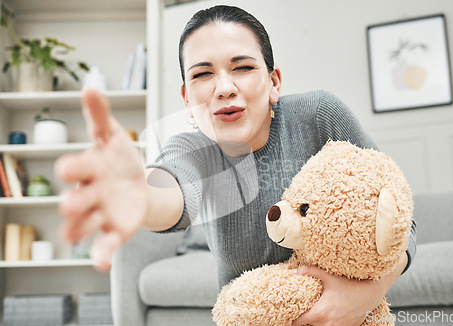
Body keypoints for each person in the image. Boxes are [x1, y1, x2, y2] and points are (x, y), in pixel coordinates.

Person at [56, 5, 416, 326]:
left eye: (242, 67)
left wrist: (364, 296)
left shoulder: (319, 116)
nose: (224, 88)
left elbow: (402, 221)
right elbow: (171, 190)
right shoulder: (192, 148)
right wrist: (136, 195)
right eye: (202, 74)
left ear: (273, 81)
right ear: (186, 98)